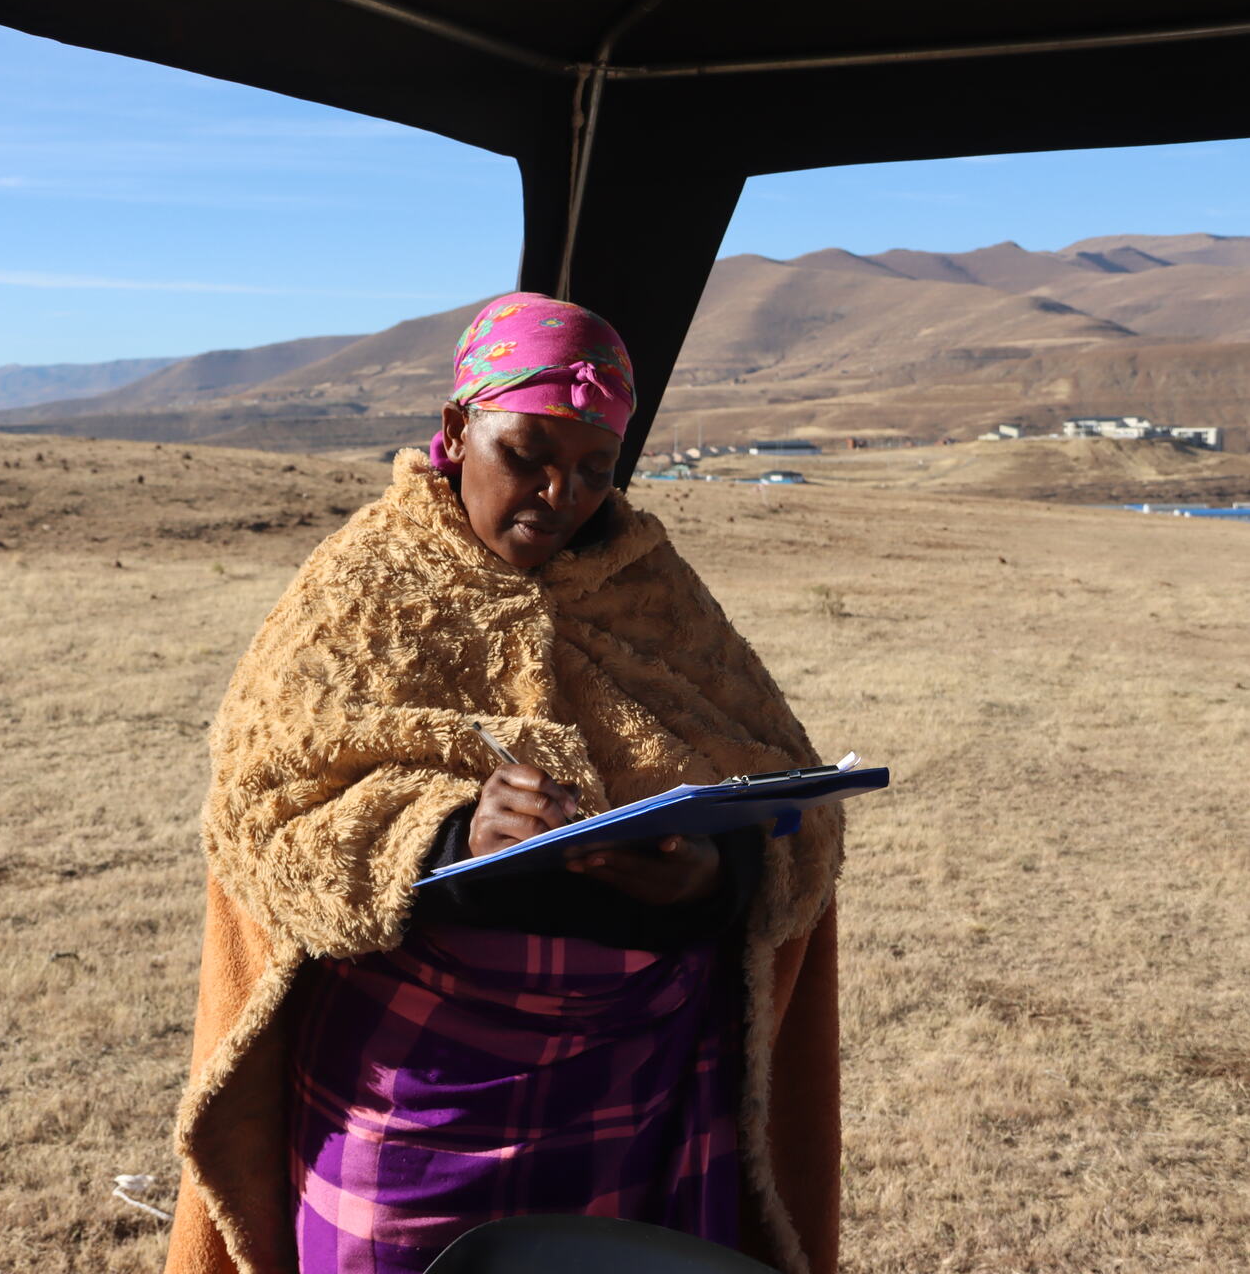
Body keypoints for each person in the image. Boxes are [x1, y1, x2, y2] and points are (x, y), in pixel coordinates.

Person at [164, 293, 843, 1274]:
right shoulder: (360, 589)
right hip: (408, 1108)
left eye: (593, 472)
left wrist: (714, 874)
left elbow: (791, 800)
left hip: (634, 1096)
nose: (560, 495)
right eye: (526, 456)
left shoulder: (655, 589)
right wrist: (446, 838)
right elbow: (264, 816)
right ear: (457, 431)